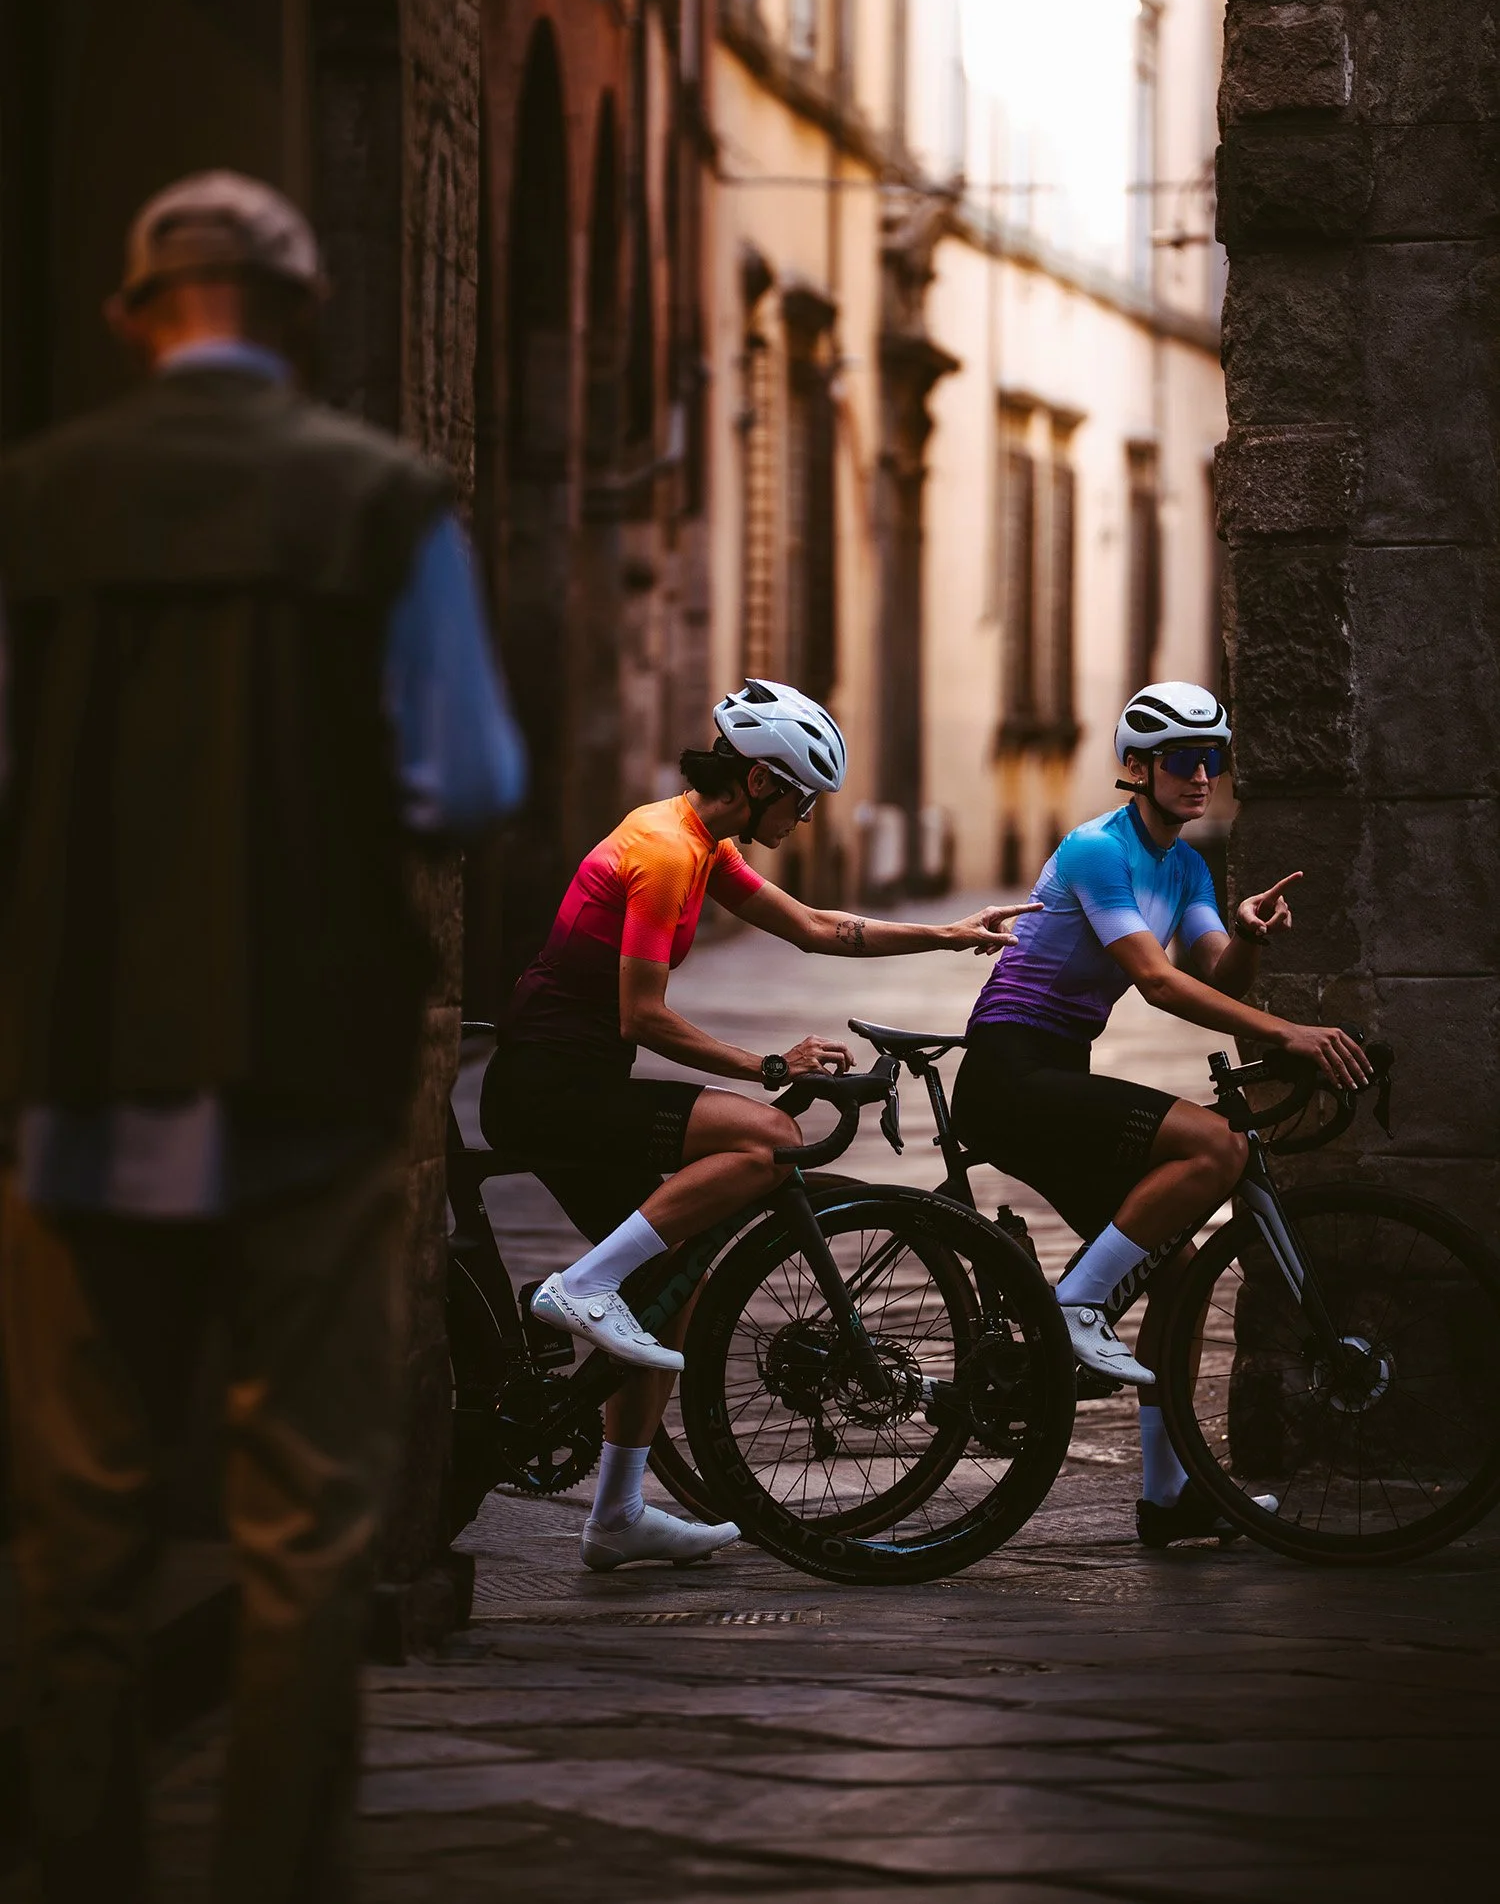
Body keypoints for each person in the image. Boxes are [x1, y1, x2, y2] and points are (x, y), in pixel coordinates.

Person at [0, 171, 526, 1904]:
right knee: (304, 1523)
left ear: (132, 315)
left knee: (79, 1524)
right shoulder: (382, 504)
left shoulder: (40, 502)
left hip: (80, 1072)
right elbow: (469, 779)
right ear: (301, 318)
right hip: (311, 1060)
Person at [480, 678, 1032, 1572]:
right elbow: (641, 1017)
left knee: (672, 1289)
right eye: (803, 799)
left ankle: (616, 1515)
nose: (806, 818)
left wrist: (948, 934)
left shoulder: (701, 843)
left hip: (572, 1081)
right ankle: (581, 1285)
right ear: (762, 782)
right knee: (770, 1137)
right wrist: (771, 1068)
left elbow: (815, 927)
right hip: (550, 1088)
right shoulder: (666, 852)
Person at [950, 680, 1371, 1549]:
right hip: (1010, 1071)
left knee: (1176, 1273)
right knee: (1215, 1145)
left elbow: (1214, 973)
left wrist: (1246, 934)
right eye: (1184, 758)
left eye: (1214, 757)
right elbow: (1155, 981)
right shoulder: (1095, 850)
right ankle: (1077, 1306)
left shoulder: (1184, 867)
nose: (1203, 774)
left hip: (1058, 1073)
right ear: (1138, 768)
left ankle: (1170, 1497)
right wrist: (1287, 1033)